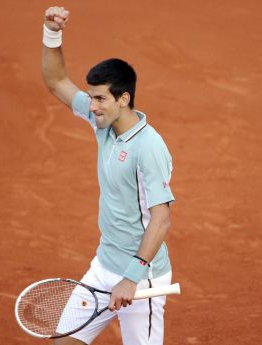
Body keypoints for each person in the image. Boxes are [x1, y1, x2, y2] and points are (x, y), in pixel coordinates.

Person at [42, 6, 176, 345]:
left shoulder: (149, 147)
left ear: (123, 99)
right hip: (104, 266)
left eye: (100, 98)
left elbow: (161, 219)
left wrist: (131, 278)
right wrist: (52, 33)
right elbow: (56, 81)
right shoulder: (102, 123)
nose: (93, 105)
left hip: (142, 277)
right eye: (92, 97)